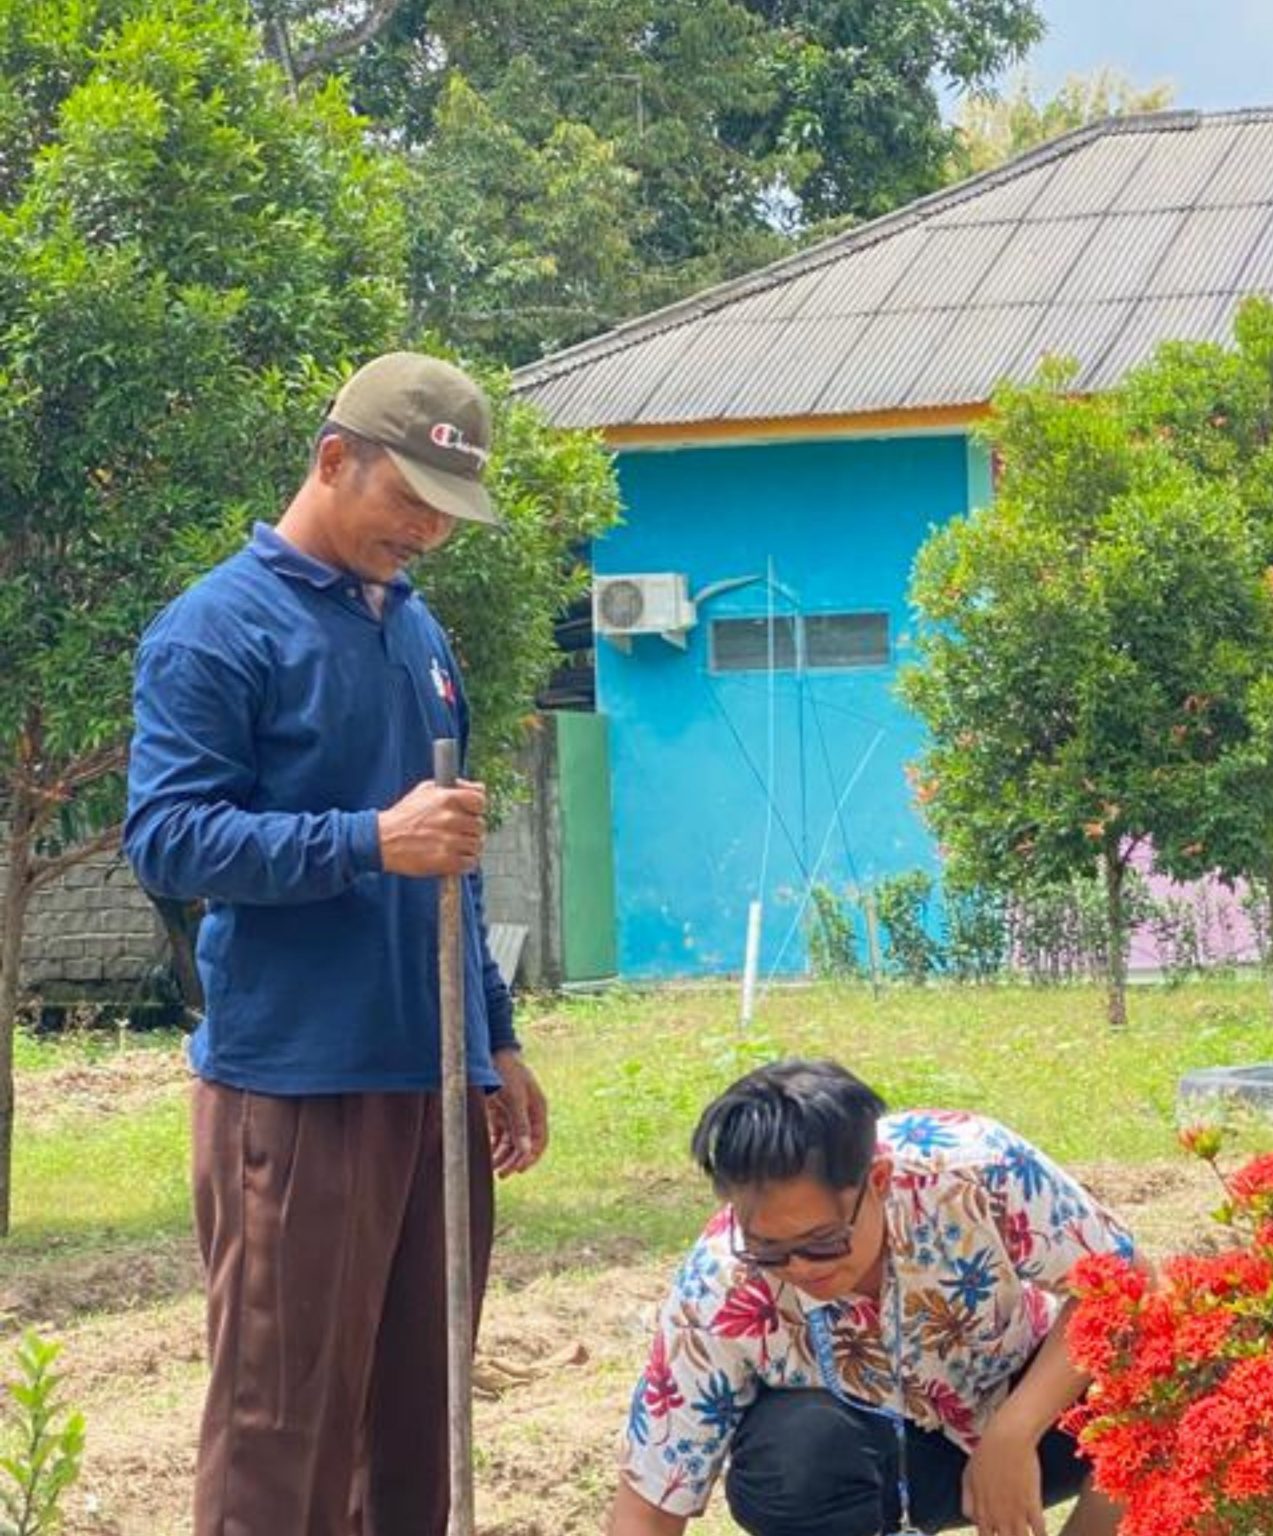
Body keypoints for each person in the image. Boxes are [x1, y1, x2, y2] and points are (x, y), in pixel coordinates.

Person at [123, 351, 550, 1536]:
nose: (425, 531)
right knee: (284, 1427)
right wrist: (366, 841)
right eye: (407, 499)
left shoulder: (420, 634)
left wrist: (494, 1040)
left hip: (434, 1086)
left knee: (419, 1423)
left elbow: (450, 858)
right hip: (297, 1087)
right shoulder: (215, 632)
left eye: (447, 513)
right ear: (330, 460)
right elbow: (167, 841)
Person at [607, 1059, 1136, 1536]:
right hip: (870, 1467)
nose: (798, 1268)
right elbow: (650, 1502)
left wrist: (1016, 1430)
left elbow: (1125, 1285)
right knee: (794, 1456)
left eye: (822, 1242)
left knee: (1183, 1360)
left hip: (1045, 1420)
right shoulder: (717, 1285)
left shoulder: (974, 1168)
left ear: (878, 1180)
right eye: (769, 1249)